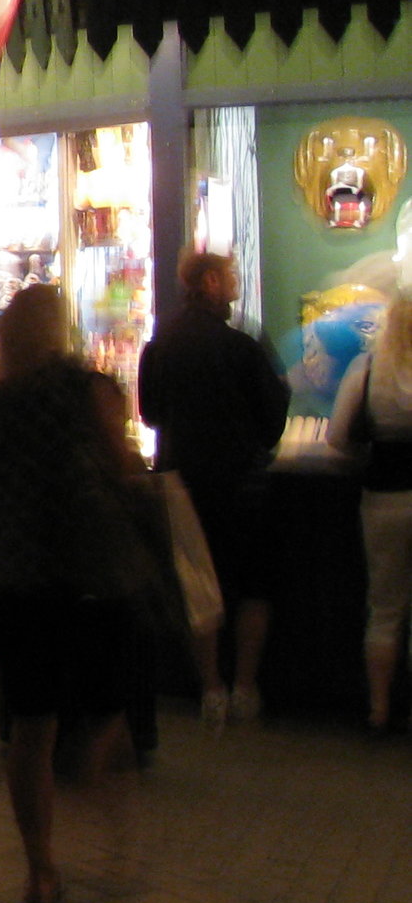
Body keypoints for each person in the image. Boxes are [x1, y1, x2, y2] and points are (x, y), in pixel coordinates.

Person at [0, 285, 151, 903]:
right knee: (108, 711)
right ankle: (115, 839)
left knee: (30, 729)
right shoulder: (88, 391)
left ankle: (40, 870)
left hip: (18, 582)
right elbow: (122, 464)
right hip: (91, 575)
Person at [139, 250, 289, 726]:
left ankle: (210, 689)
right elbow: (272, 421)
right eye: (230, 277)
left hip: (181, 480)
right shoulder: (241, 346)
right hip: (241, 481)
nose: (236, 286)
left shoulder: (160, 345)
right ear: (209, 282)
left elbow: (150, 414)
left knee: (199, 585)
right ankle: (244, 687)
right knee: (252, 584)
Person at [327, 292, 412, 734]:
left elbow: (338, 437)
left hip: (384, 495)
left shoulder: (369, 369)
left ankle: (379, 709)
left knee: (384, 607)